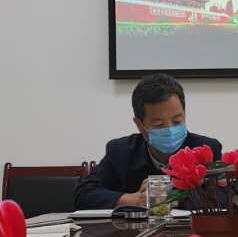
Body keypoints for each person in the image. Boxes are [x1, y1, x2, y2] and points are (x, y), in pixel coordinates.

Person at [74, 74, 221, 210]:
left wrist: (175, 198)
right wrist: (133, 200)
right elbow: (84, 194)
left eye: (177, 121)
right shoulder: (120, 151)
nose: (170, 130)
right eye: (158, 124)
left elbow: (226, 196)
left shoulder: (205, 150)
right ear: (139, 125)